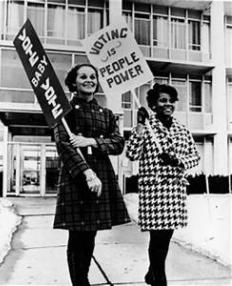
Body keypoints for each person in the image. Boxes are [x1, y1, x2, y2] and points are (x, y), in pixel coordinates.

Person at [53, 63, 130, 286]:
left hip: (102, 175)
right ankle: (79, 282)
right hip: (76, 177)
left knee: (91, 233)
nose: (90, 80)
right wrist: (87, 172)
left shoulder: (106, 114)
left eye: (93, 77)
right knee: (78, 234)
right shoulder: (63, 111)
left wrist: (92, 141)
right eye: (83, 76)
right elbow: (64, 145)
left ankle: (83, 279)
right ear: (73, 83)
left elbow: (117, 143)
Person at [126, 83, 200, 286]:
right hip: (154, 190)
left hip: (175, 190)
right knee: (157, 237)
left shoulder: (182, 130)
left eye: (170, 101)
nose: (168, 104)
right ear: (153, 105)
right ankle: (159, 278)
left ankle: (153, 273)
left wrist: (178, 161)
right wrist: (140, 126)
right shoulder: (146, 129)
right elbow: (132, 154)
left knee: (165, 237)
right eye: (162, 100)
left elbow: (195, 156)